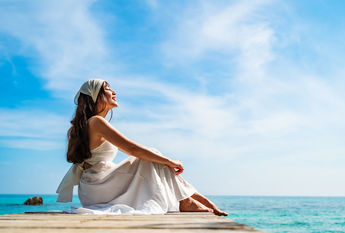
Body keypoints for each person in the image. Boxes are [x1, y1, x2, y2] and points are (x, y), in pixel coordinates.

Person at [56, 79, 228, 216]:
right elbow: (133, 150)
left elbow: (134, 152)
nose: (114, 92)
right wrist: (170, 161)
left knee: (153, 157)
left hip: (92, 190)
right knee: (152, 155)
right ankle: (187, 201)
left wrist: (166, 162)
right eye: (107, 88)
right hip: (98, 185)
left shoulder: (88, 124)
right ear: (95, 95)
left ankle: (188, 200)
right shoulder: (96, 122)